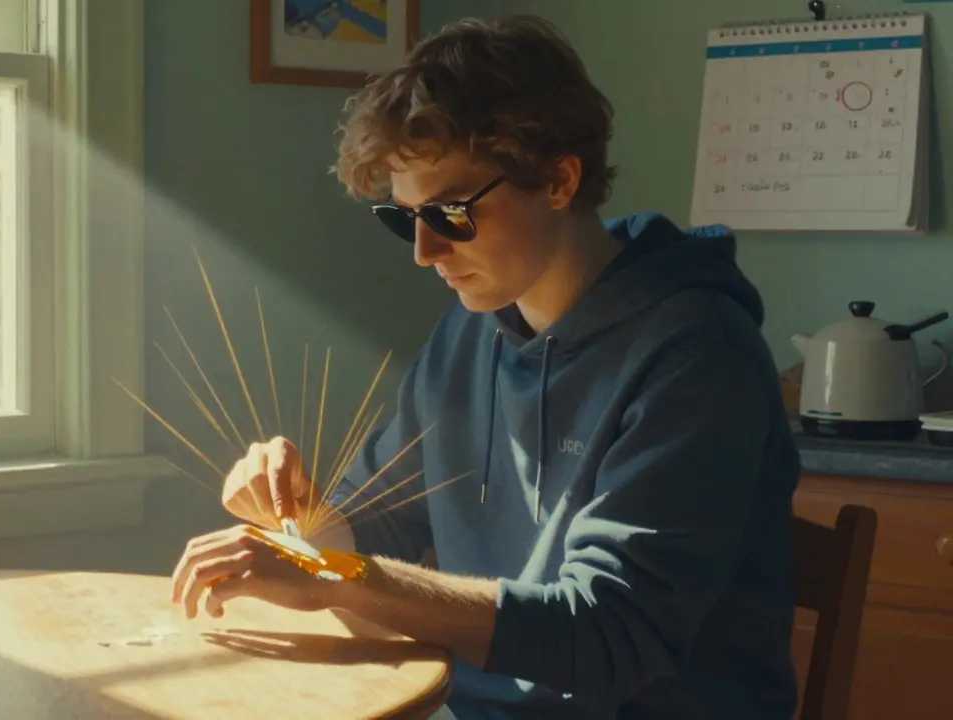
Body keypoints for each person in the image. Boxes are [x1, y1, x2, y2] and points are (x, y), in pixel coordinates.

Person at [170, 14, 801, 720]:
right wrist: (295, 519)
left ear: (560, 179)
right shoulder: (470, 333)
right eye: (402, 217)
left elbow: (609, 636)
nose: (424, 252)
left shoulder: (698, 356)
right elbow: (373, 537)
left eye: (450, 213)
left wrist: (334, 576)